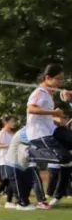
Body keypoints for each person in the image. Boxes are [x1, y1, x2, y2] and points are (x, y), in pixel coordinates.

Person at [26, 64, 72, 208]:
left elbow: (44, 117)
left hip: (51, 130)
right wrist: (53, 113)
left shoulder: (48, 94)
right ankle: (31, 153)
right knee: (66, 158)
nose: (60, 83)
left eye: (61, 80)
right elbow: (31, 109)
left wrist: (57, 120)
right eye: (58, 79)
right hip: (40, 135)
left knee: (68, 160)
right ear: (48, 78)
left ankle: (58, 195)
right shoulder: (39, 92)